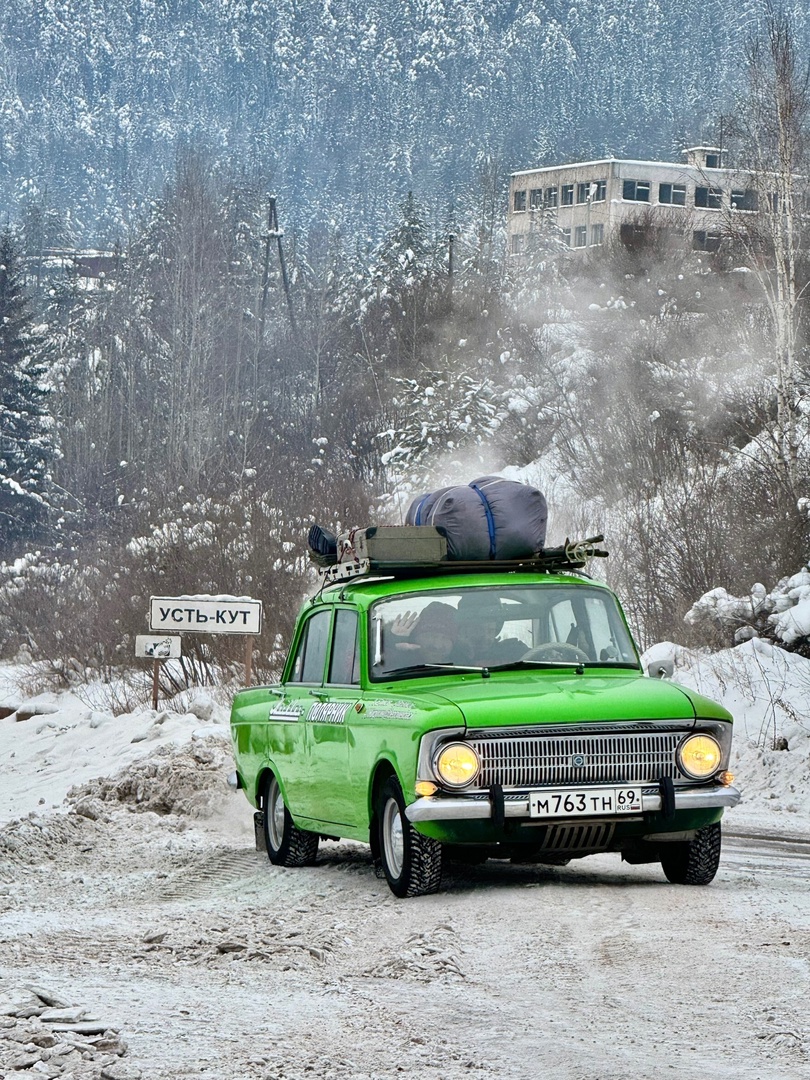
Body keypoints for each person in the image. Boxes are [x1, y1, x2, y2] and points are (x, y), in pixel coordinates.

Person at [452, 592, 526, 666]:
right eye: (478, 630)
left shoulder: (512, 650)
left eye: (490, 630)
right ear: (464, 629)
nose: (485, 637)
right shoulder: (452, 655)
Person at [390, 601, 458, 667]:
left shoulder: (463, 665)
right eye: (430, 636)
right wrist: (396, 647)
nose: (437, 646)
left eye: (445, 638)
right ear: (416, 637)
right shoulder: (397, 660)